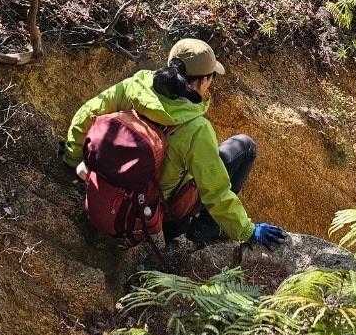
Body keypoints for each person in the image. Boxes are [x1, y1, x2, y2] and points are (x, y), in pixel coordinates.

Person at [63, 38, 287, 249]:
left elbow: (86, 114)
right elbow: (216, 192)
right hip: (158, 215)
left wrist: (71, 160)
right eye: (211, 77)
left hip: (110, 194)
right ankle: (200, 232)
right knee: (244, 147)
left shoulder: (136, 85)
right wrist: (248, 231)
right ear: (203, 80)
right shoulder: (196, 129)